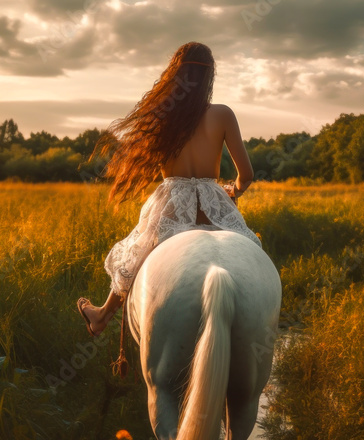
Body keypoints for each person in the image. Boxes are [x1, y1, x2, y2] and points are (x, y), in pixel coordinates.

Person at [76, 41, 262, 337]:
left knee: (139, 253)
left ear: (175, 75)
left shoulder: (162, 114)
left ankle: (101, 315)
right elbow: (247, 175)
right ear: (210, 76)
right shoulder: (223, 114)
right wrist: (233, 191)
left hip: (172, 200)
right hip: (213, 201)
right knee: (251, 252)